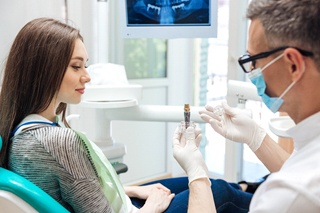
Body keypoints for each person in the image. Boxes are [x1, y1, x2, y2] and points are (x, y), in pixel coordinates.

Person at [0, 17, 256, 213]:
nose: (87, 76)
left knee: (216, 186)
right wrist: (152, 206)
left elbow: (77, 191)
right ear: (43, 69)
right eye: (76, 66)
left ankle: (252, 187)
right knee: (220, 190)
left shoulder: (20, 129)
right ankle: (276, 197)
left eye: (85, 65)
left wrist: (133, 189)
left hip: (119, 203)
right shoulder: (57, 142)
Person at [174, 0, 320, 212]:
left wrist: (197, 174)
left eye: (254, 60)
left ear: (293, 65)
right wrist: (256, 137)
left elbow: (299, 183)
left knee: (220, 192)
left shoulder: (291, 195)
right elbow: (298, 166)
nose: (252, 71)